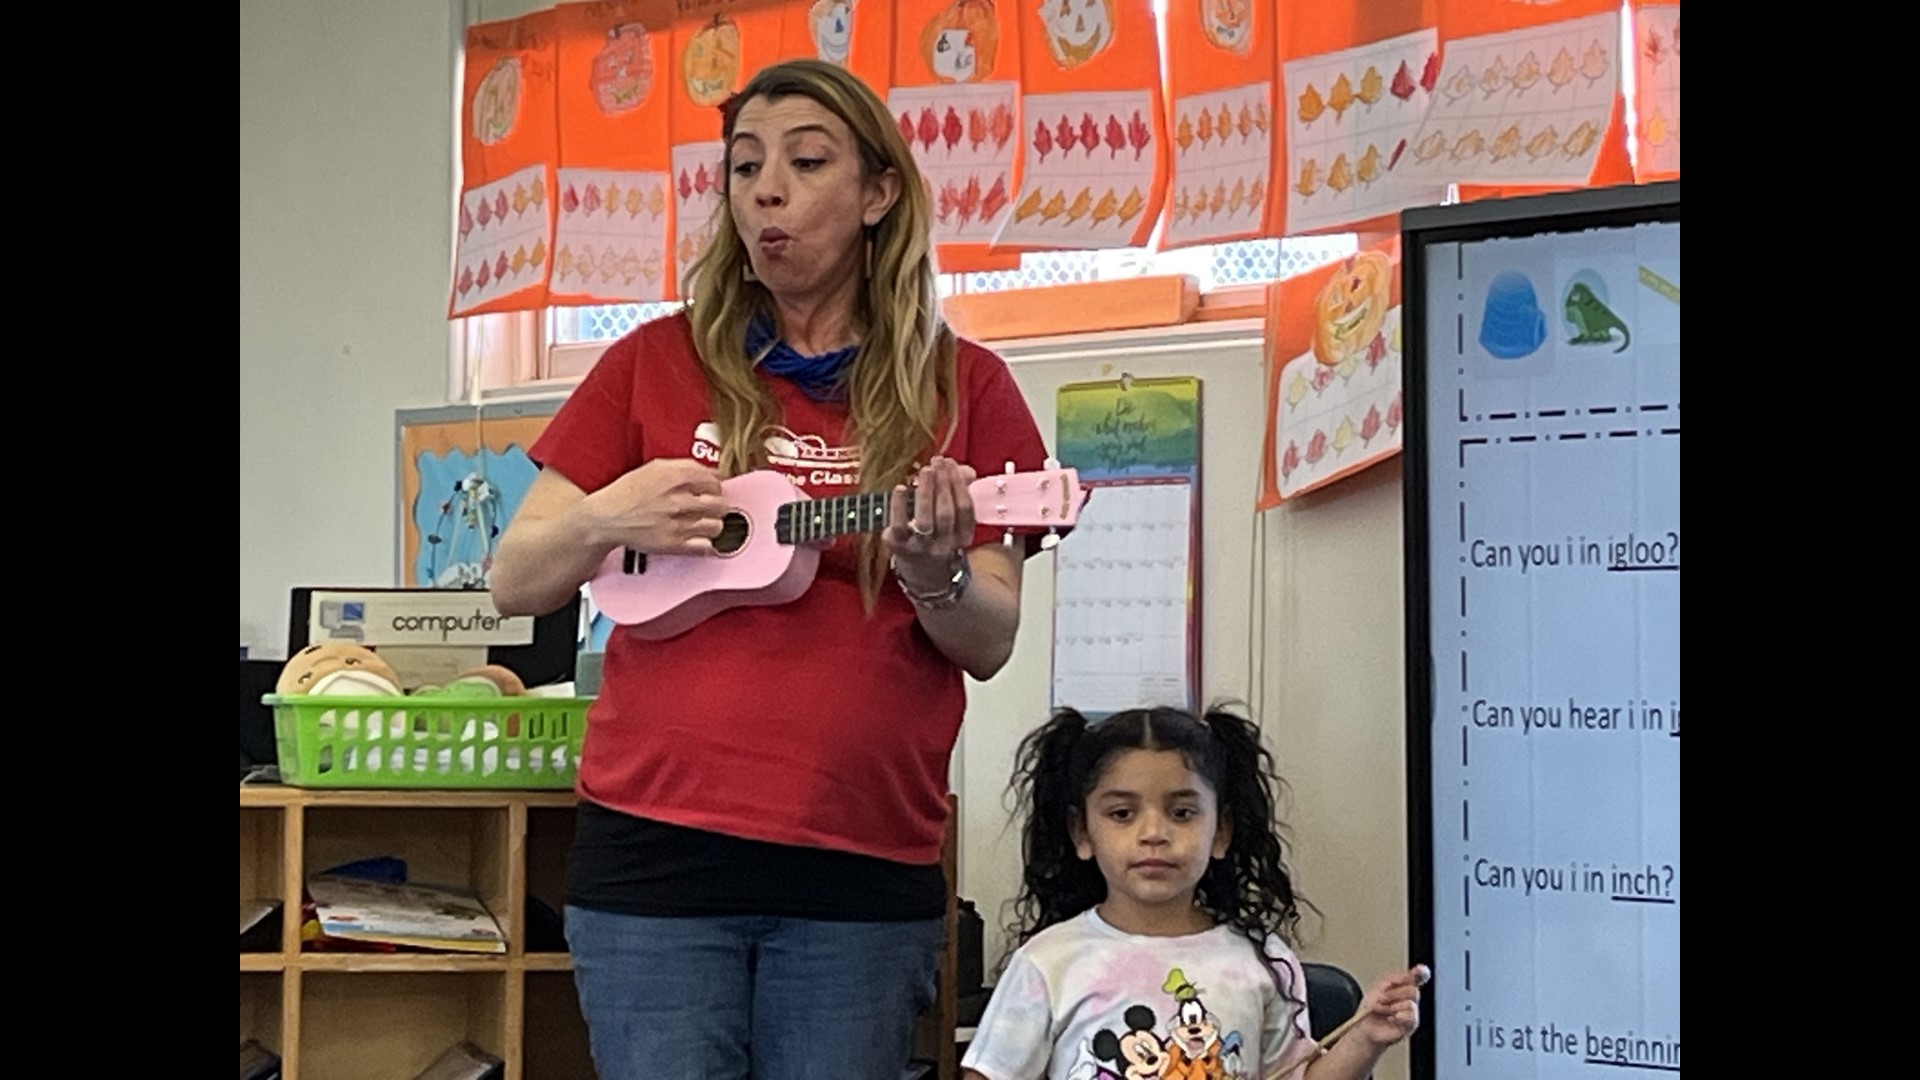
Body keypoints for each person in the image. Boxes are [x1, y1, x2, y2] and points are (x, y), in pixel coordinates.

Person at [487, 58, 1061, 1080]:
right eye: (745, 165)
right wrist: (607, 515)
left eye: (805, 161)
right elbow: (515, 577)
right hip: (656, 856)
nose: (765, 190)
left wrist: (937, 573)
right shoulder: (648, 362)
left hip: (861, 857)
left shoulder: (966, 384)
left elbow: (990, 639)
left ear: (880, 194)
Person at [961, 704, 1426, 1080]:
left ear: (1220, 831)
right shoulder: (1047, 963)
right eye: (1122, 814)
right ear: (1082, 833)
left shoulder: (1262, 960)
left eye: (1182, 813)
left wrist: (1366, 1038)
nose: (1154, 833)